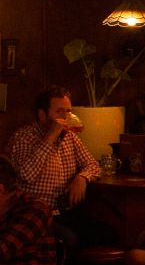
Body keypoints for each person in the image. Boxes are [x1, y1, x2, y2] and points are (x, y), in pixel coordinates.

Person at [6, 86, 110, 248]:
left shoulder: (69, 136)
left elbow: (92, 164)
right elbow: (26, 175)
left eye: (68, 112)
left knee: (108, 234)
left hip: (64, 211)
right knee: (70, 240)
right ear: (42, 115)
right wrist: (50, 137)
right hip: (34, 215)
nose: (66, 117)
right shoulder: (23, 138)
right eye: (59, 112)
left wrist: (82, 177)